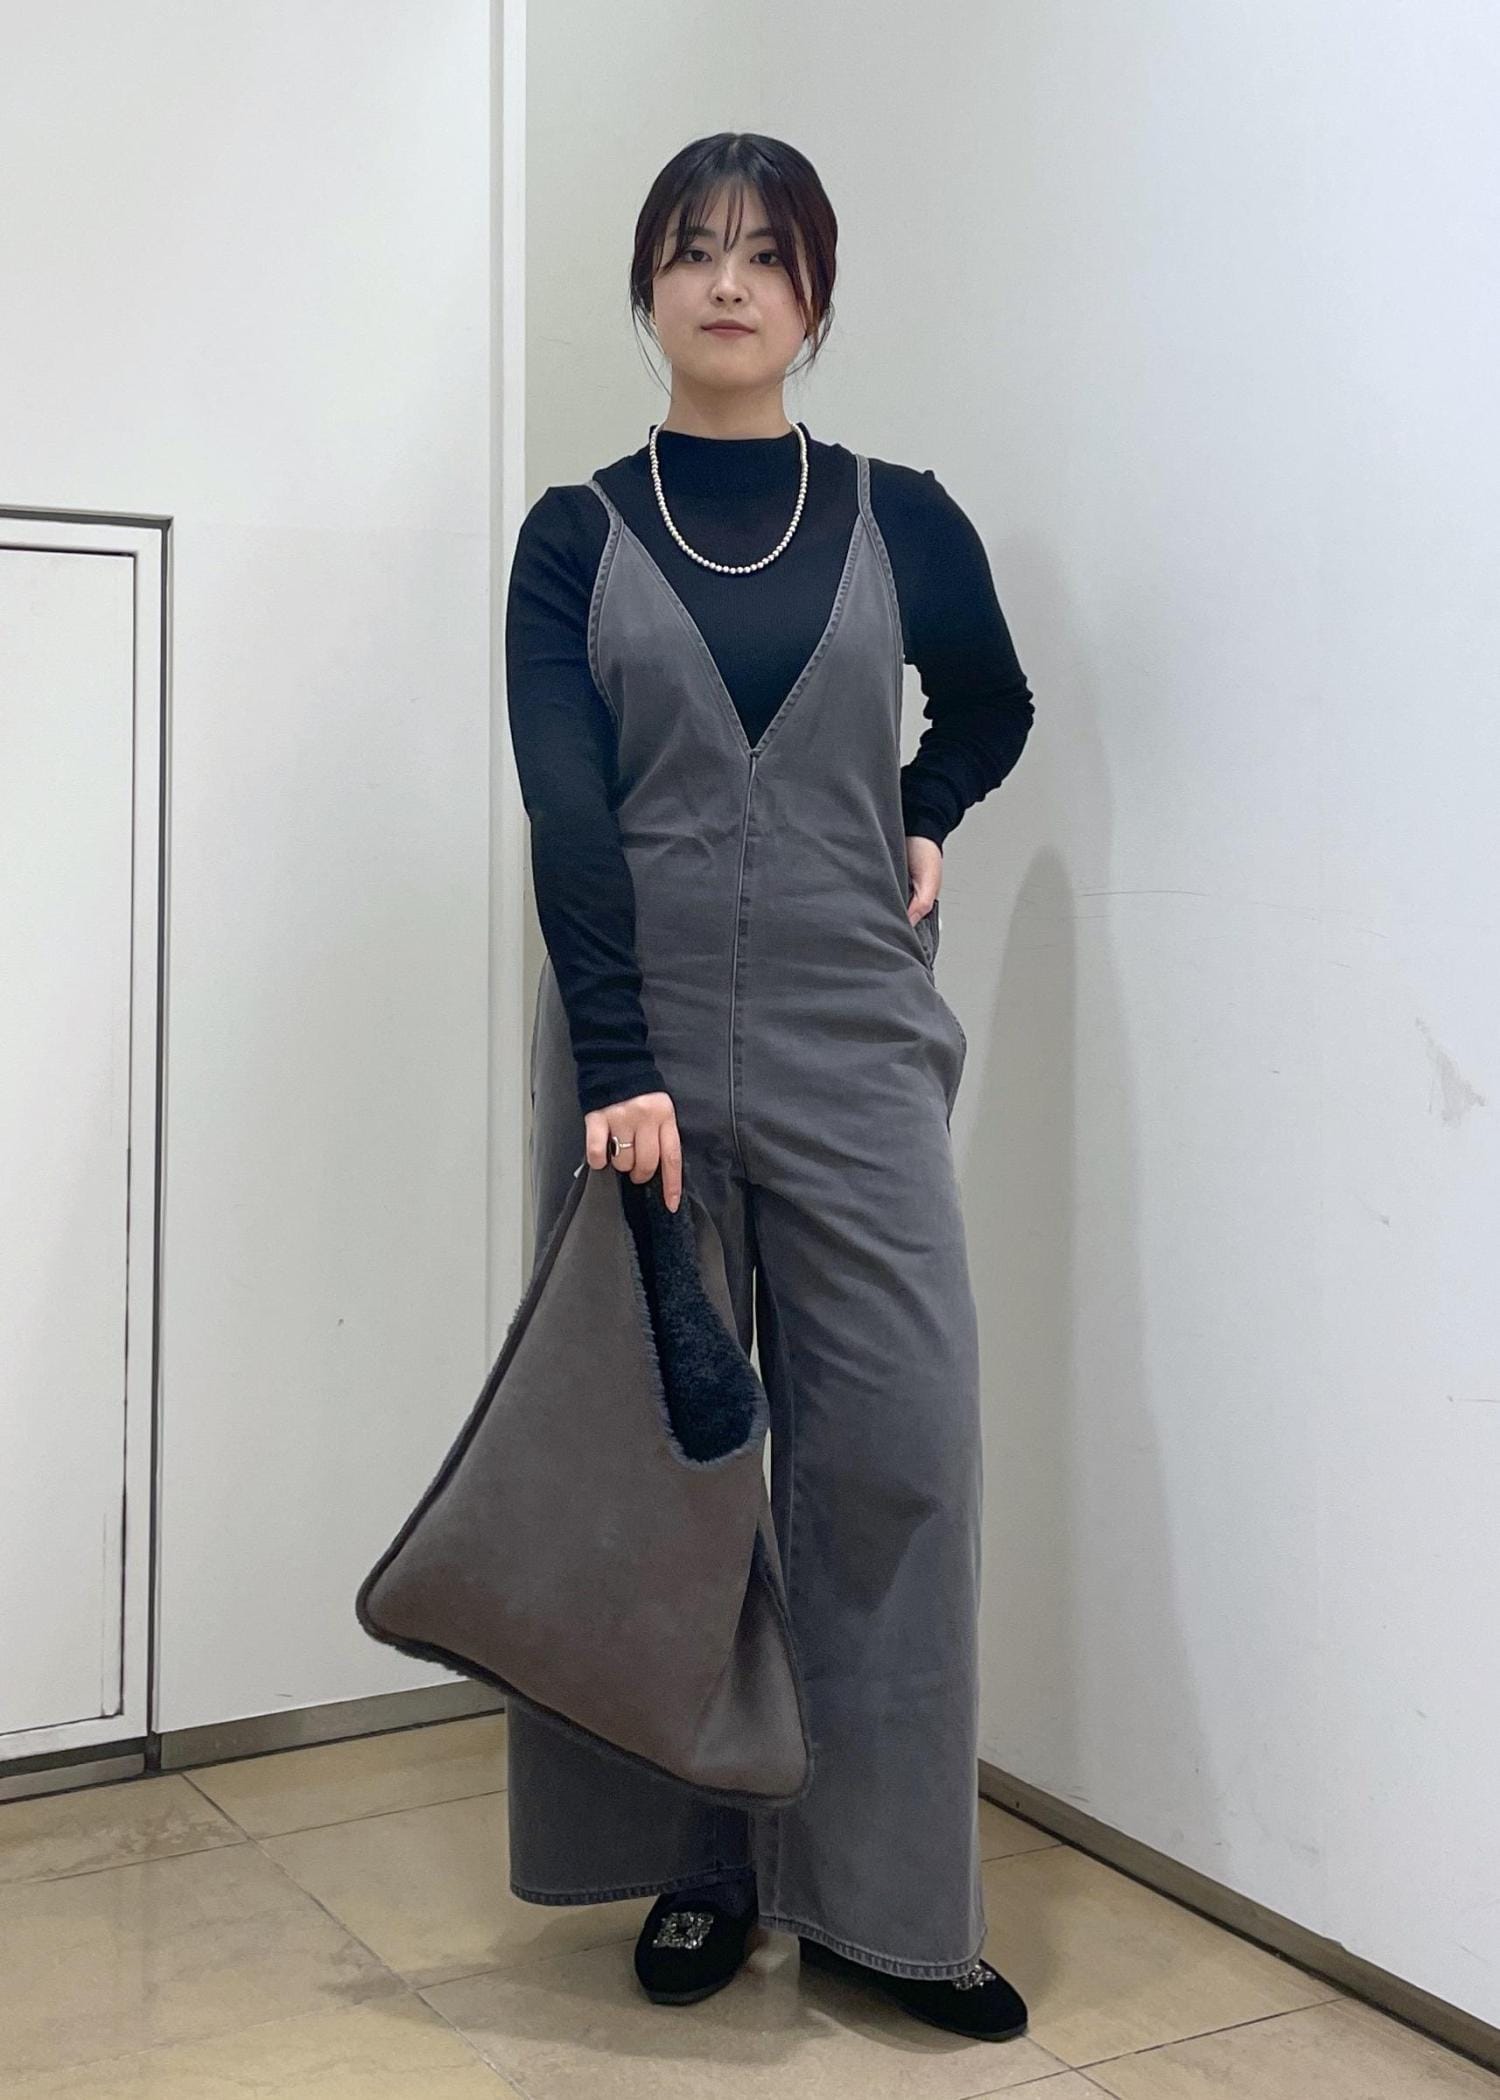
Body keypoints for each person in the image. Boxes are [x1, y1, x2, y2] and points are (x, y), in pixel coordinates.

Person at [503, 131, 1034, 2045]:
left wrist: (924, 808)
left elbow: (992, 701)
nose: (727, 282)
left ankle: (890, 1910)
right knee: (664, 1468)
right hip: (630, 1042)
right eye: (691, 249)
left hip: (852, 1035)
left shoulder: (908, 519)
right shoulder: (576, 535)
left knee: (900, 1451)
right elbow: (567, 805)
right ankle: (700, 1867)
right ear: (647, 286)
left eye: (765, 252)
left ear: (815, 294)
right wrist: (620, 1062)